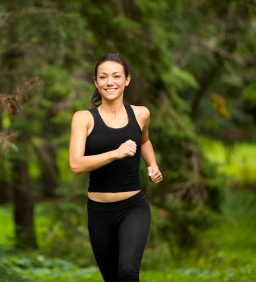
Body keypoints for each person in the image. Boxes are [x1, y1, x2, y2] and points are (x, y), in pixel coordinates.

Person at [69, 53, 163, 282]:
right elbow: (75, 165)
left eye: (116, 76)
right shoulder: (83, 119)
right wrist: (115, 153)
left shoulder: (141, 114)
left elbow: (144, 141)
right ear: (95, 82)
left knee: (128, 273)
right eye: (103, 77)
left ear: (127, 80)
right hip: (99, 212)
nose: (109, 82)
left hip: (133, 208)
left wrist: (152, 164)